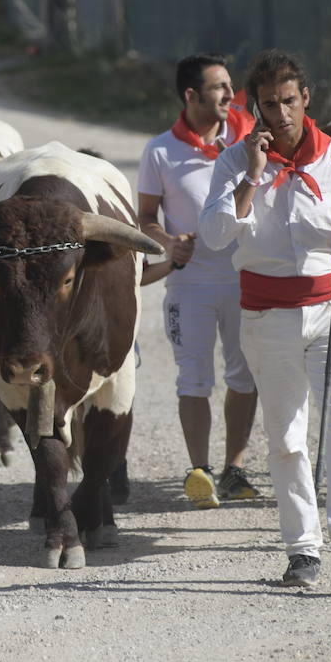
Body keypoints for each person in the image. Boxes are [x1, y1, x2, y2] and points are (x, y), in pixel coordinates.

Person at [199, 49, 331, 589]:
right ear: (255, 108)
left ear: (305, 99)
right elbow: (214, 235)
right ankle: (303, 551)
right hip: (267, 316)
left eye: (289, 100)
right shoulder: (236, 161)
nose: (280, 112)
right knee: (286, 437)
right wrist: (253, 179)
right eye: (268, 104)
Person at [138, 54, 260, 509]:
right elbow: (145, 218)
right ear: (191, 96)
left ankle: (235, 469)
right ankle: (199, 471)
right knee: (193, 378)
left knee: (243, 375)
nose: (231, 95)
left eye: (231, 86)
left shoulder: (248, 141)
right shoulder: (160, 151)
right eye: (219, 87)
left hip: (245, 278)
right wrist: (170, 243)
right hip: (189, 283)